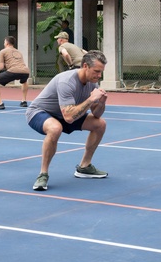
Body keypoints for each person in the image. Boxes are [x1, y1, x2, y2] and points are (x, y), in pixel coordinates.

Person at [25, 50, 109, 191]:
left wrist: (101, 103)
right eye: (96, 71)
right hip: (40, 112)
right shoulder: (67, 81)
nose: (99, 76)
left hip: (64, 114)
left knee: (100, 124)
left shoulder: (93, 83)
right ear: (85, 66)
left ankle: (84, 167)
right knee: (55, 128)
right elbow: (69, 118)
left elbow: (96, 114)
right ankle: (43, 174)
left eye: (101, 72)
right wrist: (90, 99)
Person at [0, 36, 30, 110]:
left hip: (13, 70)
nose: (4, 43)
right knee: (24, 81)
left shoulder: (3, 51)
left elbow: (0, 67)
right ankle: (24, 101)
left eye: (4, 42)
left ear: (7, 43)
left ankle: (0, 103)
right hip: (25, 71)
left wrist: (2, 63)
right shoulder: (18, 51)